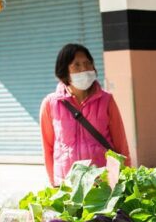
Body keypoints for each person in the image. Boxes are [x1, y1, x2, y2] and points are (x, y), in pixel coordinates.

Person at [40, 43, 131, 186]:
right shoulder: (50, 103)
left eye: (88, 63)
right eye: (76, 65)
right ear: (64, 71)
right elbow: (48, 147)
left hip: (102, 181)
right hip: (67, 184)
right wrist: (53, 183)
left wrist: (127, 175)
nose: (84, 69)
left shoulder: (106, 100)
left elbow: (121, 144)